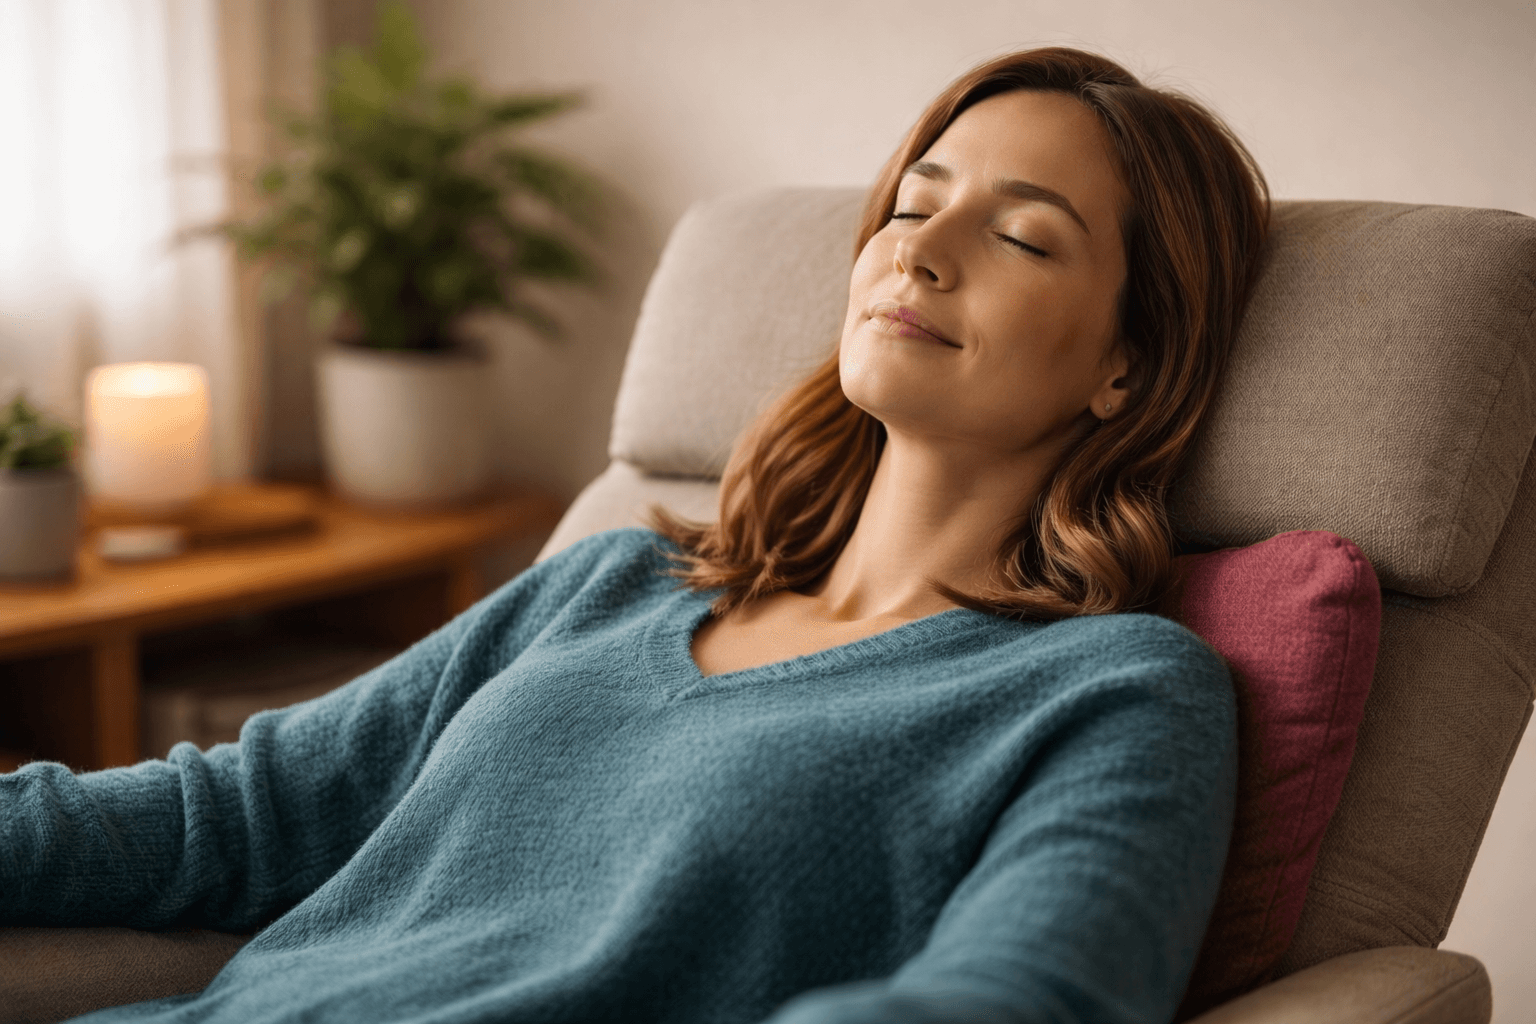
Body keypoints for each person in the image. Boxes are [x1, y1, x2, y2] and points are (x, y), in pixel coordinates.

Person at [0, 47, 1268, 1024]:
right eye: (911, 205)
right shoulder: (610, 584)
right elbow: (235, 813)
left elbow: (1023, 1000)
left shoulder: (1112, 694)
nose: (918, 253)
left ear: (1127, 363)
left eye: (1020, 235)